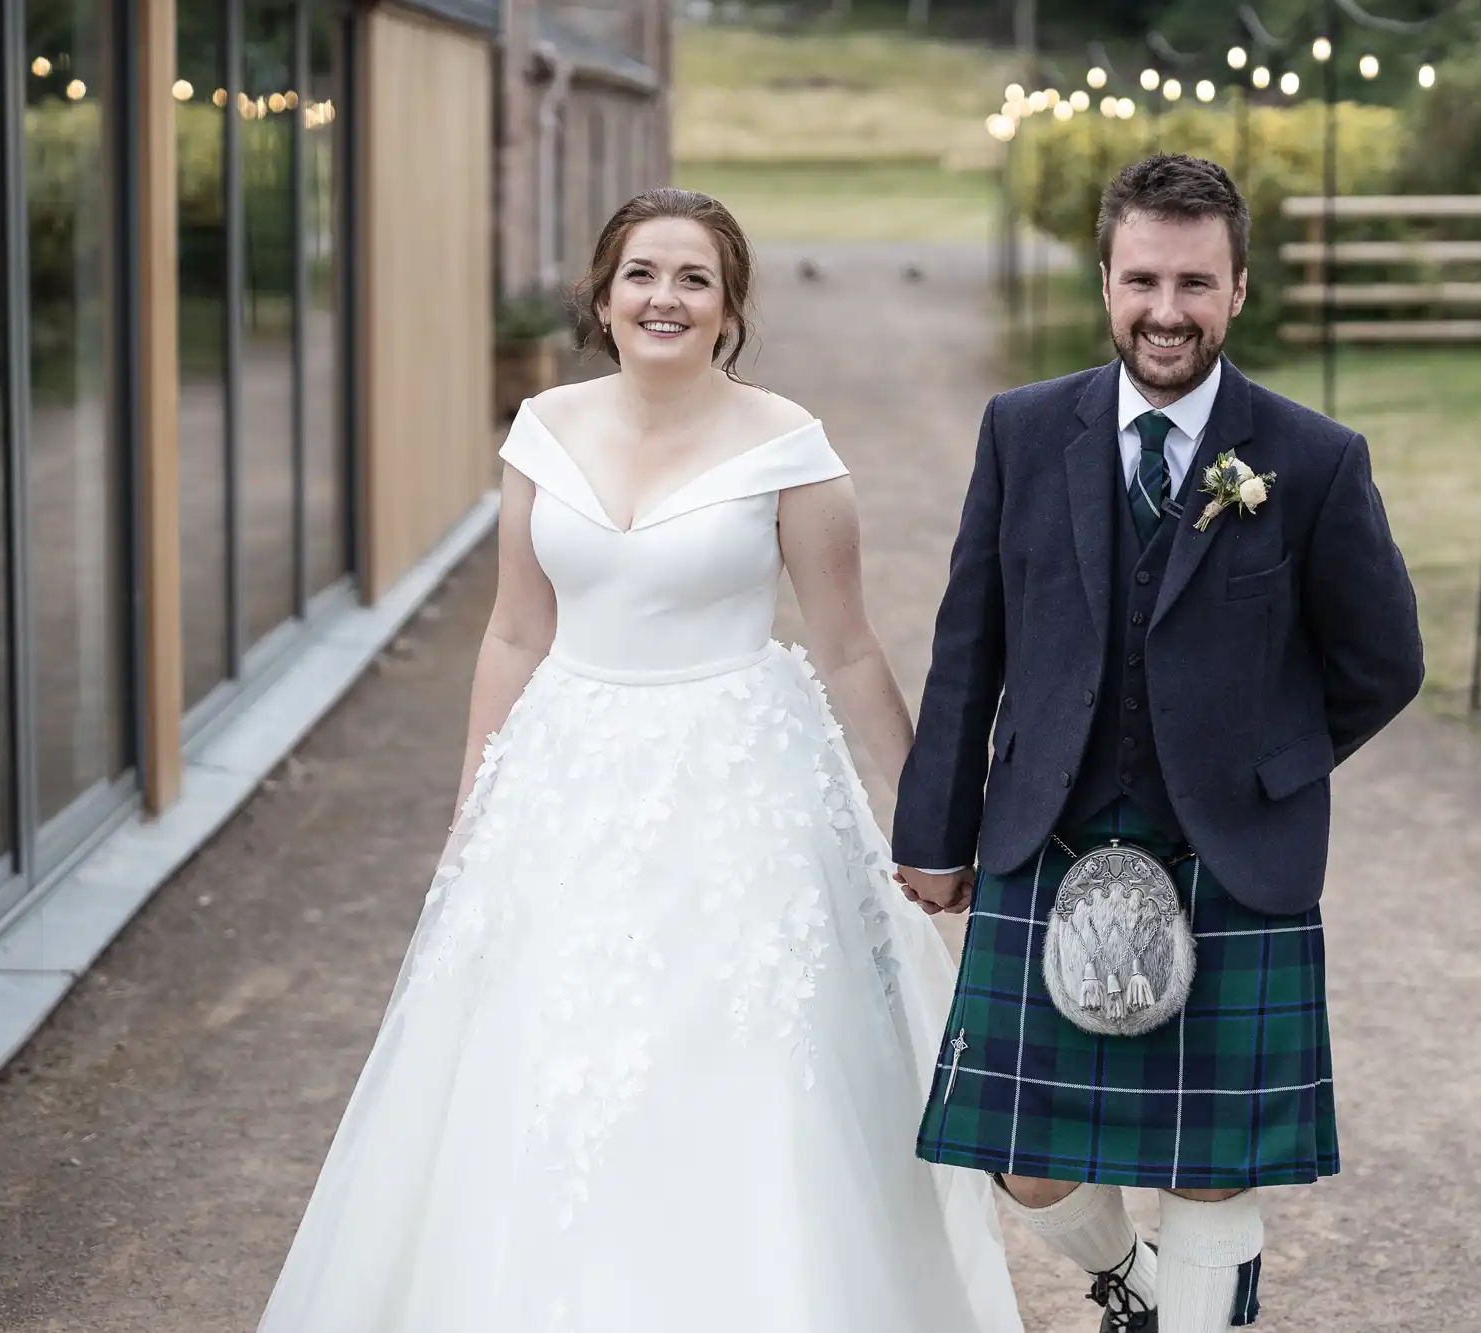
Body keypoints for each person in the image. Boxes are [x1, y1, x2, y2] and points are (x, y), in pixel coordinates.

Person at [257, 188, 1021, 1333]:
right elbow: (514, 632)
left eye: (694, 278)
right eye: (642, 275)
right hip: (564, 783)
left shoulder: (790, 451)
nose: (665, 296)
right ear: (603, 299)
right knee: (538, 1066)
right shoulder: (541, 430)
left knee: (737, 1074)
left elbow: (849, 648)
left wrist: (931, 823)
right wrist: (474, 811)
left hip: (739, 793)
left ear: (728, 309)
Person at [893, 155, 1425, 1332]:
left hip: (1226, 855)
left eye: (1194, 282)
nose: (1165, 310)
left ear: (1238, 290)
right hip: (1045, 834)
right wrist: (932, 832)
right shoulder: (1024, 431)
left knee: (1210, 1164)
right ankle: (1135, 1290)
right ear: (1103, 281)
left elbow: (1383, 661)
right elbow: (964, 645)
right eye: (1142, 280)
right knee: (1019, 1152)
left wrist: (1267, 770)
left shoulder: (1311, 456)